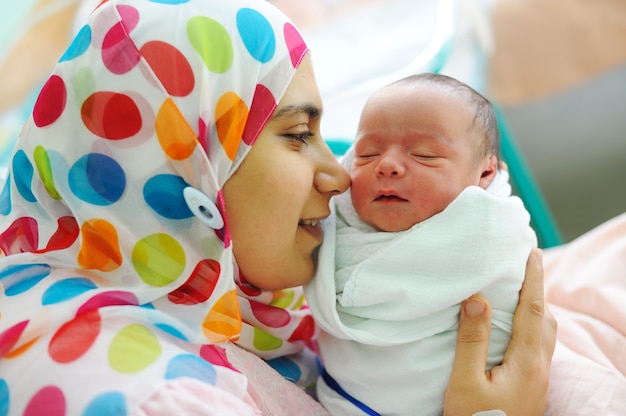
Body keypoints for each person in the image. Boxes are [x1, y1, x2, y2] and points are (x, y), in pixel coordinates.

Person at [0, 0, 555, 415]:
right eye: (297, 134)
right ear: (192, 165)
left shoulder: (194, 299)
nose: (340, 175)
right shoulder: (163, 398)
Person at [305, 73, 537, 415]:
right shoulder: (333, 217)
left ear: (486, 174)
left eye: (425, 155)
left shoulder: (491, 228)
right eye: (367, 154)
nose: (387, 166)